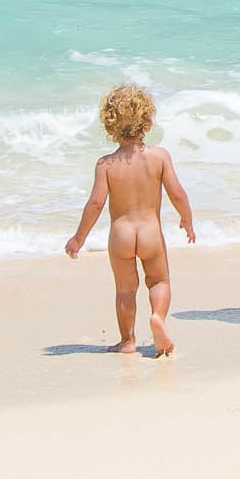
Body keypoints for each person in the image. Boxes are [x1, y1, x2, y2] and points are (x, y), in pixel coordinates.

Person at [64, 84, 196, 356]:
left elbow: (95, 204)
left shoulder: (106, 164)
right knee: (159, 281)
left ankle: (127, 341)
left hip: (121, 235)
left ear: (109, 122)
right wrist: (187, 219)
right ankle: (157, 317)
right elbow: (177, 193)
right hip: (150, 233)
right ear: (147, 119)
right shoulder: (159, 157)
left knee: (125, 290)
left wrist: (79, 238)